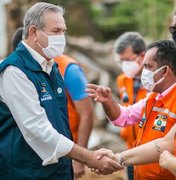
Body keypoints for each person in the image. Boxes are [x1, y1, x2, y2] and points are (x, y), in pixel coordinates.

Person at [0, 2, 123, 179]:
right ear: (34, 32)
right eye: (56, 31)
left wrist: (79, 159)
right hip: (26, 171)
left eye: (63, 31)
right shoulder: (15, 72)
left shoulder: (53, 67)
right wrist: (88, 157)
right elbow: (38, 130)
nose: (62, 37)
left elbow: (62, 124)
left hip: (58, 169)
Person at [86, 39, 176, 180]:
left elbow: (166, 143)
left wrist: (117, 158)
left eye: (148, 66)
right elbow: (123, 117)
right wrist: (108, 102)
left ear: (164, 71)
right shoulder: (152, 97)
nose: (143, 72)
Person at [12, 27, 94, 179]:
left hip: (67, 151)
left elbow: (87, 114)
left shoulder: (69, 69)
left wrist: (79, 158)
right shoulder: (15, 74)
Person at [114, 32, 147, 180]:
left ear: (142, 55)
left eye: (128, 60)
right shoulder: (122, 80)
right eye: (121, 61)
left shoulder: (156, 82)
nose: (125, 65)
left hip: (151, 151)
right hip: (130, 150)